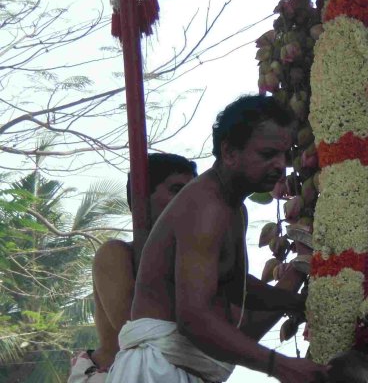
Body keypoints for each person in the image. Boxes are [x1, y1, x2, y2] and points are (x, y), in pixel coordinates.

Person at [106, 95, 329, 383]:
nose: (279, 167)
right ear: (229, 152)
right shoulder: (206, 206)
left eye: (284, 156)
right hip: (158, 370)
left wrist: (297, 303)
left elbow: (237, 288)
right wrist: (281, 366)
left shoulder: (234, 208)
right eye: (267, 154)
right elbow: (193, 319)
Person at [68, 153, 197, 383]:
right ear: (141, 200)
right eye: (177, 190)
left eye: (193, 192)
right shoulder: (116, 254)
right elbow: (139, 331)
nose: (190, 201)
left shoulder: (192, 261)